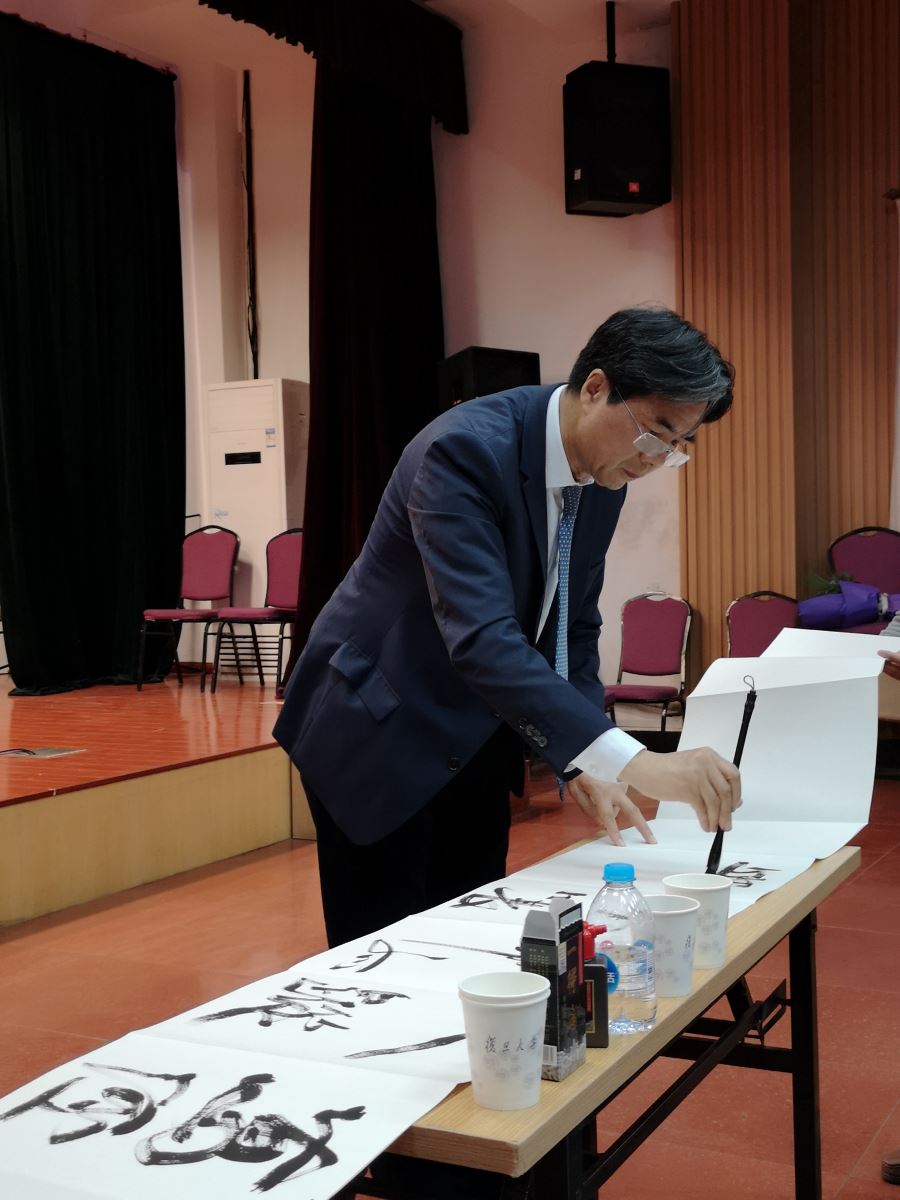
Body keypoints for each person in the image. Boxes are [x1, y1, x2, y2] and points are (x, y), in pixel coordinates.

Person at [274, 306, 742, 949]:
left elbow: (573, 626)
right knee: (386, 951)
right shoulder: (463, 450)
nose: (656, 460)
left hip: (474, 731)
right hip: (379, 725)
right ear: (597, 388)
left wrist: (584, 759)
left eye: (676, 447)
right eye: (655, 432)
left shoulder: (606, 475)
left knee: (467, 936)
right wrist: (637, 761)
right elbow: (482, 639)